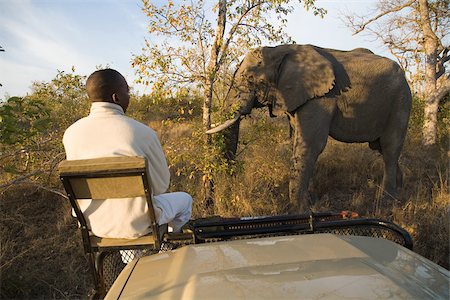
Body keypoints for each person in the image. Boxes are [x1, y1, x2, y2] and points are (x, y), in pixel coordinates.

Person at [63, 68, 192, 239]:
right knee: (185, 200)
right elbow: (161, 186)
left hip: (93, 223)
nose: (129, 97)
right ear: (116, 97)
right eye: (127, 91)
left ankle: (131, 261)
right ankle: (170, 245)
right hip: (137, 224)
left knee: (126, 209)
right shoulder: (142, 132)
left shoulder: (71, 133)